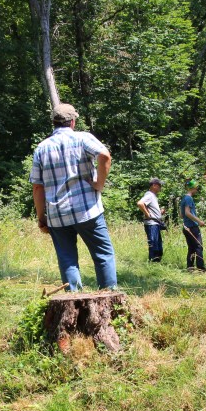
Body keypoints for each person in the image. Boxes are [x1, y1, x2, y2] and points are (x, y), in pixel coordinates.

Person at [30, 102, 117, 291]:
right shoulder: (82, 138)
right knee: (103, 255)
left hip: (57, 216)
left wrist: (41, 218)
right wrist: (99, 184)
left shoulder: (41, 148)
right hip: (88, 210)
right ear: (72, 122)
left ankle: (74, 300)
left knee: (67, 260)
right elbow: (104, 156)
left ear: (53, 122)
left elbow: (37, 187)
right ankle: (110, 298)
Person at [180, 180, 206, 271]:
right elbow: (187, 213)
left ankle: (190, 267)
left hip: (186, 227)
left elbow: (181, 215)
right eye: (196, 188)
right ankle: (201, 268)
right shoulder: (189, 198)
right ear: (193, 188)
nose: (197, 190)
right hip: (192, 227)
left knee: (191, 247)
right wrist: (199, 221)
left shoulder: (184, 198)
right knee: (199, 246)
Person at [137, 178, 165, 262]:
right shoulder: (149, 195)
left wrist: (160, 212)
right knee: (154, 244)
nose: (161, 187)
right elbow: (140, 203)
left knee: (158, 244)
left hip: (155, 223)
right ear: (154, 185)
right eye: (159, 185)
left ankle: (157, 262)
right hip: (151, 224)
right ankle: (153, 263)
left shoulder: (153, 196)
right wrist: (147, 214)